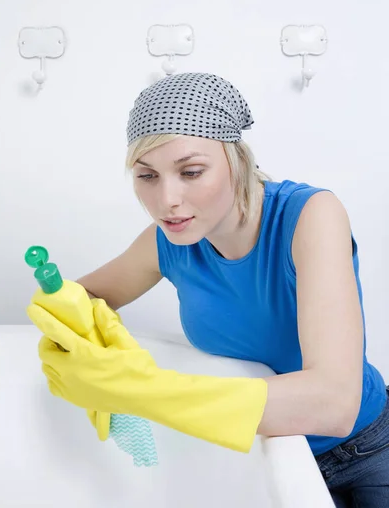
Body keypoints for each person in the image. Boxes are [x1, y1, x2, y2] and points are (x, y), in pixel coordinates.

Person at [28, 72, 389, 507]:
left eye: (191, 171)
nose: (167, 201)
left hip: (366, 451)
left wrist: (137, 389)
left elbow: (334, 404)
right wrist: (70, 328)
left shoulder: (311, 217)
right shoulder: (170, 242)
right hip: (261, 455)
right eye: (147, 176)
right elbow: (80, 304)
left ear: (236, 160)